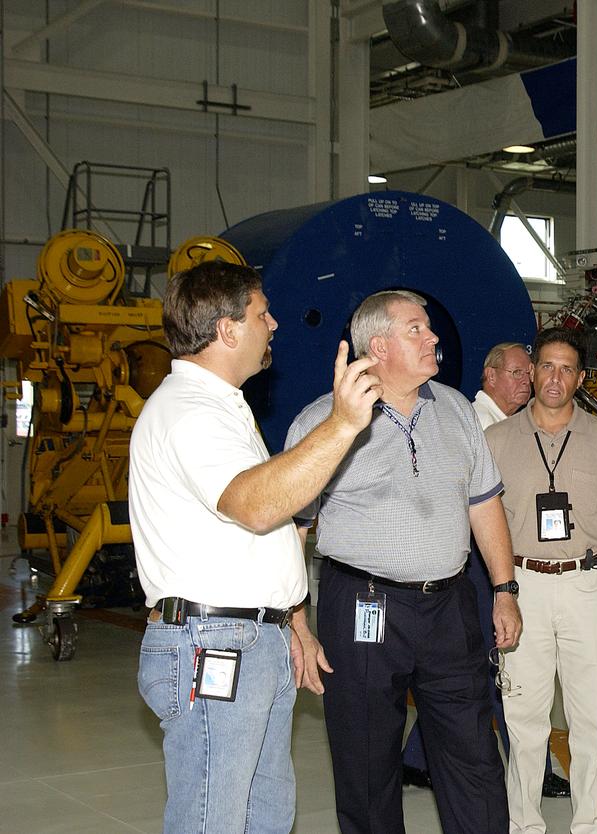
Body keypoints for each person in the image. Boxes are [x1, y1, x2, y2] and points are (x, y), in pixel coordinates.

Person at [132, 261, 382, 834]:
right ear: (226, 330)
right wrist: (342, 425)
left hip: (250, 637)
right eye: (261, 313)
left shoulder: (223, 406)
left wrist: (291, 621)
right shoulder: (189, 412)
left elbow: (252, 537)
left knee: (264, 815)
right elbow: (258, 506)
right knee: (213, 819)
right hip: (213, 642)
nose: (273, 324)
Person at [285, 290, 522, 834]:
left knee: (474, 758)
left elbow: (484, 505)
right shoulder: (322, 423)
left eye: (429, 328)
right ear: (379, 346)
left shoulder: (458, 411)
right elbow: (291, 532)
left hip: (450, 606)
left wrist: (505, 589)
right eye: (416, 329)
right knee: (366, 762)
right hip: (364, 606)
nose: (433, 337)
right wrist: (297, 622)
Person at [484, 327, 597, 834]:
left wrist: (588, 558)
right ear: (531, 373)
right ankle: (524, 824)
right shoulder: (496, 440)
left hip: (586, 587)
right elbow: (481, 517)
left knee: (590, 716)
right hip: (521, 587)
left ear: (581, 378)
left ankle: (590, 823)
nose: (555, 378)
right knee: (523, 719)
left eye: (566, 369)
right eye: (546, 366)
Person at [403, 341, 572, 799]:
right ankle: (533, 770)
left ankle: (417, 758)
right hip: (480, 566)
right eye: (516, 373)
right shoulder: (475, 426)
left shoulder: (516, 426)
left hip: (496, 564)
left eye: (527, 373)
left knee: (476, 667)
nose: (525, 381)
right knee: (503, 665)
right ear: (489, 377)